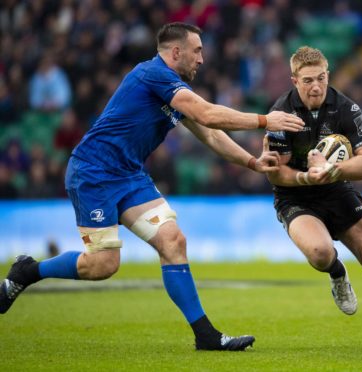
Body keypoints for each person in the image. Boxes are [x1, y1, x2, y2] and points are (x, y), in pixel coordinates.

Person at [0, 22, 305, 351]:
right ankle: (29, 271)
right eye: (197, 51)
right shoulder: (153, 74)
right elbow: (207, 115)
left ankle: (206, 336)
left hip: (129, 174)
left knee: (173, 241)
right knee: (103, 265)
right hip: (94, 172)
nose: (202, 59)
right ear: (176, 52)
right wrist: (264, 120)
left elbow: (211, 134)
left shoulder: (173, 86)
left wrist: (251, 162)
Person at [264, 46, 362, 349]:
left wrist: (333, 170)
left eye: (321, 78)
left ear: (328, 75)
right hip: (295, 195)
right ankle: (337, 273)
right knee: (320, 253)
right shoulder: (281, 113)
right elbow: (275, 173)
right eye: (308, 80)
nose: (316, 86)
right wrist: (305, 176)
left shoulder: (346, 108)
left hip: (337, 189)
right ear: (294, 80)